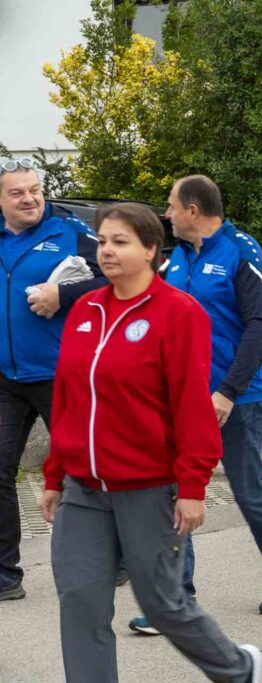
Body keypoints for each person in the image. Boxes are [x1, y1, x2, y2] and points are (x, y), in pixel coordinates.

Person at [38, 203, 261, 682]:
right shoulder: (85, 309)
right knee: (79, 600)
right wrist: (54, 474)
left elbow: (190, 405)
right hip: (83, 487)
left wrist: (194, 485)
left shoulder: (179, 314)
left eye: (120, 242)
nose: (107, 251)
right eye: (102, 242)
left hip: (146, 486)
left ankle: (237, 669)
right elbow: (69, 398)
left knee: (162, 605)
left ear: (150, 249)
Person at [123, 176, 262, 637]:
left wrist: (226, 391)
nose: (166, 215)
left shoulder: (241, 251)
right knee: (171, 494)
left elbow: (259, 328)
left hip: (235, 399)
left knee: (248, 491)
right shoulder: (177, 257)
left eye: (171, 207)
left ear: (193, 211)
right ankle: (176, 596)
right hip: (181, 400)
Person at [0, 158, 106, 602]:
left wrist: (62, 293)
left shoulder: (70, 231)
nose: (29, 199)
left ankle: (110, 559)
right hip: (6, 378)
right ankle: (7, 573)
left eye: (35, 190)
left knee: (88, 468)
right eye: (17, 192)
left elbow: (111, 276)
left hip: (63, 375)